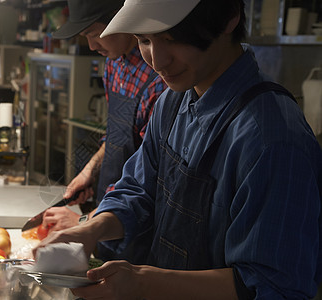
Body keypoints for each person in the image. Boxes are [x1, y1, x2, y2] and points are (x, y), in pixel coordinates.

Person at [35, 0, 322, 298]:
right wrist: (91, 230)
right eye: (144, 40)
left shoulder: (272, 139)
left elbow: (274, 286)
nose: (157, 61)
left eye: (172, 39)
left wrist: (142, 281)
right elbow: (139, 190)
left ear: (229, 18)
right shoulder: (173, 102)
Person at [41, 0, 166, 258]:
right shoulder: (114, 65)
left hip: (138, 226)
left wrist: (86, 223)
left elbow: (152, 180)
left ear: (122, 20)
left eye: (95, 34)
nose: (91, 46)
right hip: (105, 211)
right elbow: (116, 135)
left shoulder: (161, 79)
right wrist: (91, 170)